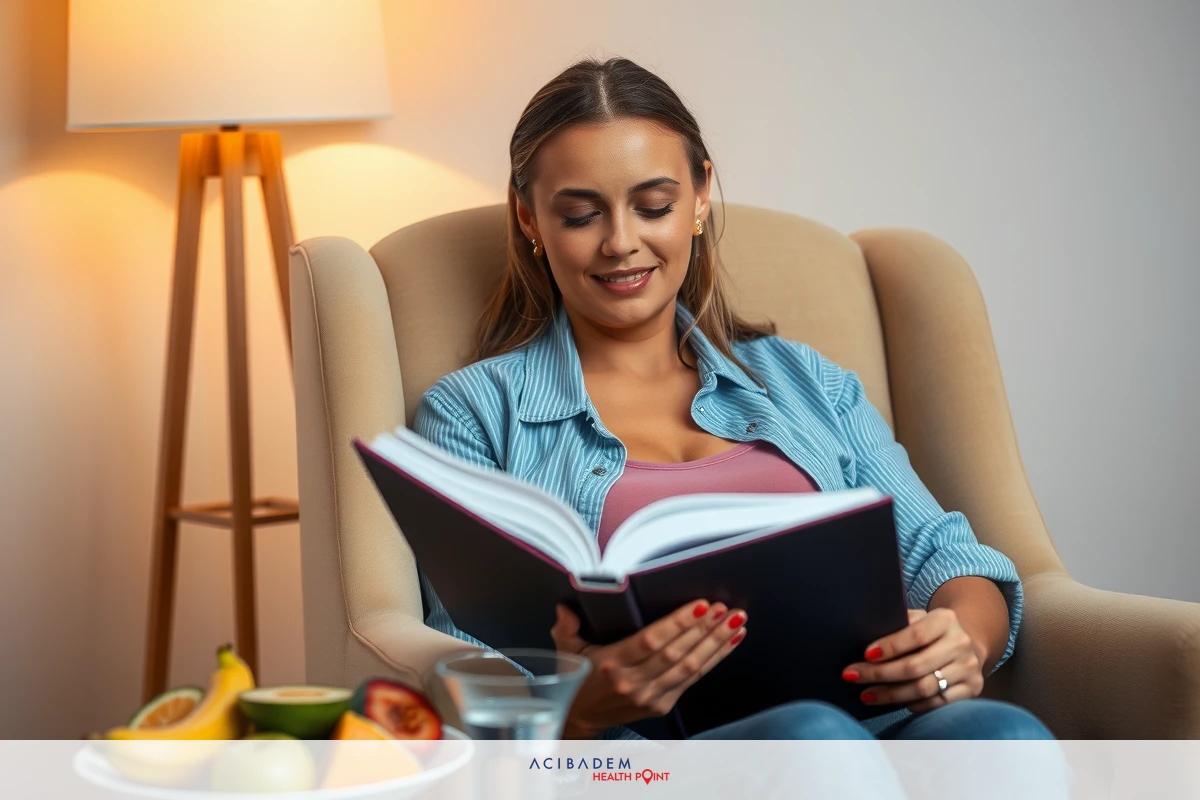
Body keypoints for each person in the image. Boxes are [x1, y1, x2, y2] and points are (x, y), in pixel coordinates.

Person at [410, 55, 1057, 746]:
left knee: (1003, 736)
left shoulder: (806, 382)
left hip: (877, 723)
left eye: (654, 206)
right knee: (812, 737)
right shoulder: (474, 413)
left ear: (698, 198)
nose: (622, 242)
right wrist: (580, 706)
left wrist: (961, 640)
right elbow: (465, 657)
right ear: (528, 217)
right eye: (579, 215)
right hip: (652, 758)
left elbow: (946, 555)